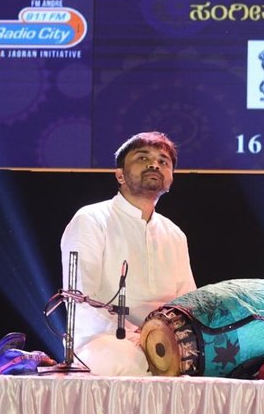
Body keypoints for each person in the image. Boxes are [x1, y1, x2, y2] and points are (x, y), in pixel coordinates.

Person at [59, 131, 196, 375]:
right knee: (132, 363)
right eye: (143, 158)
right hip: (101, 341)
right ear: (120, 175)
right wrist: (141, 337)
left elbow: (187, 304)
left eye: (163, 161)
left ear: (171, 178)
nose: (154, 164)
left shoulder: (174, 234)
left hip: (163, 342)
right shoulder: (91, 219)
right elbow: (80, 300)